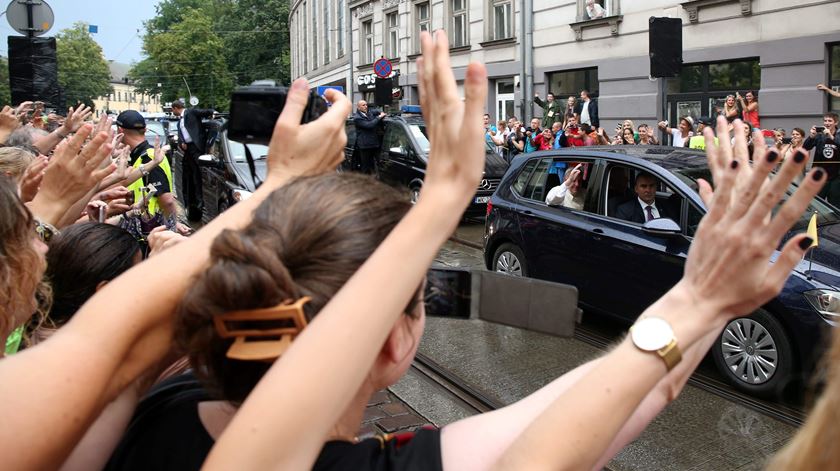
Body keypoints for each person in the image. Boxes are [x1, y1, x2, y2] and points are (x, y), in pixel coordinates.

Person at [115, 110, 189, 240]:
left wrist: (172, 226)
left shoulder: (148, 158)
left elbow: (167, 200)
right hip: (146, 230)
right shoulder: (144, 155)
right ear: (145, 129)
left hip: (149, 233)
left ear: (120, 131)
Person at [171, 100, 215, 221]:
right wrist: (182, 142)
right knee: (190, 176)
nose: (172, 112)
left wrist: (213, 112)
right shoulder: (179, 122)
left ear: (176, 108)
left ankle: (201, 201)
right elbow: (181, 136)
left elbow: (205, 112)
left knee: (199, 174)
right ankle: (191, 202)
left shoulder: (190, 112)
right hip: (188, 150)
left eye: (172, 109)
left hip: (197, 148)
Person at [803, 113, 839, 206]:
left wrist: (831, 136)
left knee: (835, 205)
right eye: (825, 121)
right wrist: (811, 136)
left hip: (836, 177)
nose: (827, 123)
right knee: (818, 204)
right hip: (820, 175)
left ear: (836, 123)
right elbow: (805, 148)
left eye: (830, 121)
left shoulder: (839, 134)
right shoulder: (819, 135)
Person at [352, 100, 385, 174]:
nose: (366, 106)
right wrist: (379, 117)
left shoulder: (369, 112)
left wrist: (381, 112)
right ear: (358, 107)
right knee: (366, 166)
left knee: (379, 164)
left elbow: (377, 110)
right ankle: (366, 179)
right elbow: (369, 125)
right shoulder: (357, 118)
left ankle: (376, 178)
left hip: (375, 144)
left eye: (366, 105)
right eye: (363, 105)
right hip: (365, 146)